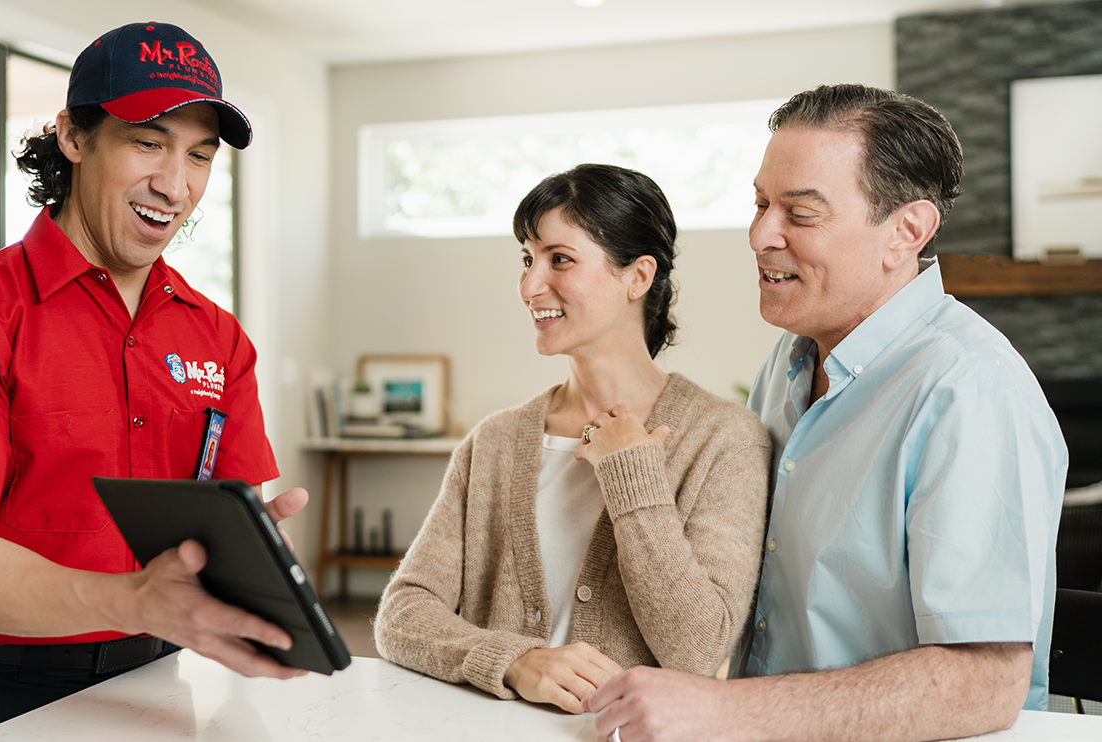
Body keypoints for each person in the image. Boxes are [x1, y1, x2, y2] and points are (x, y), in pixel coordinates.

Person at [0, 22, 309, 742]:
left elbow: (224, 540)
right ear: (75, 137)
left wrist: (250, 574)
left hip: (166, 681)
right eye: (148, 142)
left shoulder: (220, 340)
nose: (176, 183)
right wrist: (134, 599)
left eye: (200, 155)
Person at [585, 84, 1068, 742]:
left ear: (906, 232)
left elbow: (983, 684)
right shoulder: (788, 362)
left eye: (800, 214)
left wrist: (725, 709)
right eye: (759, 204)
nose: (760, 235)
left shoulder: (970, 389)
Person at [373, 163, 772, 715]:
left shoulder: (724, 439)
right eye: (527, 259)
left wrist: (633, 478)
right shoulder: (494, 441)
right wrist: (515, 660)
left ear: (637, 277)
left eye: (560, 258)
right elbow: (403, 614)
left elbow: (697, 651)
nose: (532, 285)